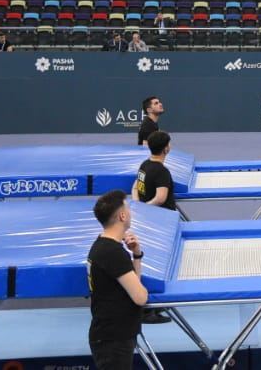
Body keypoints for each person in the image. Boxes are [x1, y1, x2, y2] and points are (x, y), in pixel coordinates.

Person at [86, 189, 149, 370]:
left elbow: (132, 284)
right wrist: (143, 291)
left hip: (112, 336)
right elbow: (140, 297)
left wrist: (136, 255)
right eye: (128, 209)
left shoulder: (106, 245)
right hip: (112, 340)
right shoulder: (111, 252)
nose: (130, 213)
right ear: (122, 216)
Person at [135, 132, 176, 210]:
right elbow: (160, 199)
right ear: (166, 149)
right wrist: (143, 208)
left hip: (147, 215)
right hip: (164, 217)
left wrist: (138, 205)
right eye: (168, 144)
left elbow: (135, 188)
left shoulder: (144, 164)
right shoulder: (162, 172)